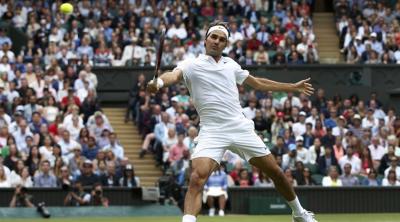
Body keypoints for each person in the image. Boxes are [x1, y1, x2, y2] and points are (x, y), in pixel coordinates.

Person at [147, 21, 316, 222]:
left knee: (277, 173)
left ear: (226, 44)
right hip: (212, 131)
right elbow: (172, 75)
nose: (217, 42)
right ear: (206, 39)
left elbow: (258, 83)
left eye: (222, 39)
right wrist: (157, 82)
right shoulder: (191, 64)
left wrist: (292, 87)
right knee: (196, 179)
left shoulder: (231, 65)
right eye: (214, 37)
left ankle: (299, 213)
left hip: (240, 127)